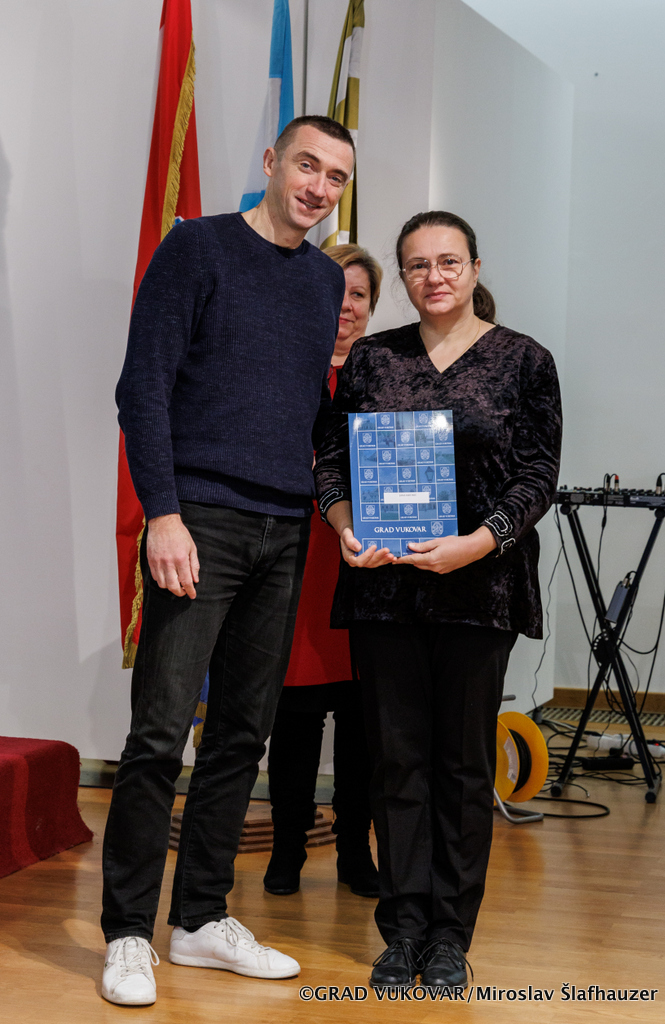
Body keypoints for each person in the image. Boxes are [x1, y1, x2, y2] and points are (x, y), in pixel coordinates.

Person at [101, 115, 356, 1007]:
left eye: (335, 177)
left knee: (243, 735)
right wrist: (163, 514)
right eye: (307, 166)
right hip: (198, 521)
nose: (318, 188)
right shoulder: (196, 248)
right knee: (159, 734)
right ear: (271, 162)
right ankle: (127, 932)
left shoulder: (324, 280)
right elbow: (142, 387)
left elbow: (308, 411)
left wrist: (344, 504)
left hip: (284, 528)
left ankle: (200, 919)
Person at [314, 211, 562, 990]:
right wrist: (344, 526)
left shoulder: (524, 360)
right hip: (384, 589)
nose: (434, 276)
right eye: (418, 264)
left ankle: (450, 935)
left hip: (479, 591)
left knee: (460, 767)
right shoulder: (373, 359)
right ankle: (402, 931)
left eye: (448, 261)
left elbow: (537, 477)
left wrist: (476, 543)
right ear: (404, 275)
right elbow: (331, 460)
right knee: (395, 763)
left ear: (475, 268)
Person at [264, 244, 383, 899]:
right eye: (336, 292)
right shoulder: (283, 365)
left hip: (370, 562)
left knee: (363, 723)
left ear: (372, 305)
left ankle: (353, 852)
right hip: (297, 560)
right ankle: (286, 850)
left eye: (358, 295)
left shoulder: (390, 372)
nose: (346, 307)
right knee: (297, 719)